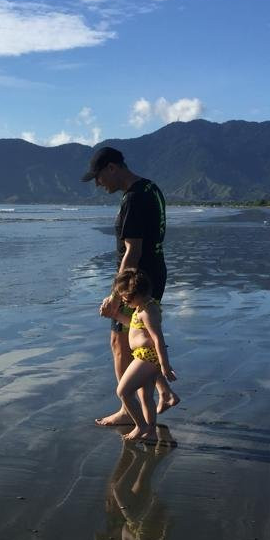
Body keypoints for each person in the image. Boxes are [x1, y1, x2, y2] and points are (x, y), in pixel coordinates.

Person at [82, 146, 180, 426]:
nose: (99, 184)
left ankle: (129, 409)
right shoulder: (151, 188)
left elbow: (132, 251)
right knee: (143, 336)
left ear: (112, 168)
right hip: (154, 274)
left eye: (99, 177)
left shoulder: (134, 198)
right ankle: (164, 392)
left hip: (135, 282)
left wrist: (115, 295)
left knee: (120, 342)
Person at [107, 268, 177, 443]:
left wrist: (165, 366)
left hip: (148, 357)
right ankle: (151, 431)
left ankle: (141, 426)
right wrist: (116, 315)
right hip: (143, 355)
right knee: (145, 397)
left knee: (123, 391)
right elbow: (133, 325)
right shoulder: (143, 306)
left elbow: (158, 339)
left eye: (127, 298)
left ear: (138, 294)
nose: (125, 301)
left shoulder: (147, 311)